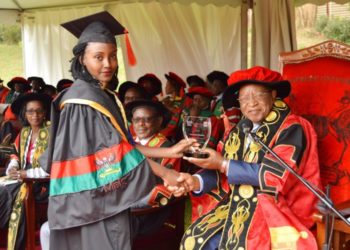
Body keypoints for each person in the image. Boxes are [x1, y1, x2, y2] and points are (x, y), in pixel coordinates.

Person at [40, 11, 192, 250]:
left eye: (112, 56)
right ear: (82, 59)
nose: (108, 64)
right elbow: (112, 153)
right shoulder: (81, 101)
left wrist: (170, 151)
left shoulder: (101, 94)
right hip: (92, 201)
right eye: (98, 57)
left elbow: (121, 144)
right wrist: (166, 174)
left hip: (101, 197)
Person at [170, 66, 321, 249]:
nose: (252, 103)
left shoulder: (292, 128)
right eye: (245, 98)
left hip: (275, 209)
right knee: (193, 241)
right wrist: (196, 180)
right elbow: (220, 169)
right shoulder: (239, 130)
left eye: (258, 95)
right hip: (237, 206)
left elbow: (275, 177)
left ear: (273, 95)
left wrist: (223, 163)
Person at [0, 92, 51, 250]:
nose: (35, 115)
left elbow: (53, 167)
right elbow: (15, 153)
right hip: (21, 176)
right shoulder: (24, 132)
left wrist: (26, 174)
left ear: (45, 112)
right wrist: (14, 166)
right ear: (24, 113)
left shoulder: (53, 131)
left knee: (8, 193)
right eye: (30, 111)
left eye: (39, 111)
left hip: (43, 183)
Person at [125, 99, 181, 237]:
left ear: (159, 121)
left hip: (150, 210)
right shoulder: (128, 144)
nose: (140, 125)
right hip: (127, 203)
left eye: (146, 120)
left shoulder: (167, 148)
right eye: (136, 120)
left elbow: (165, 188)